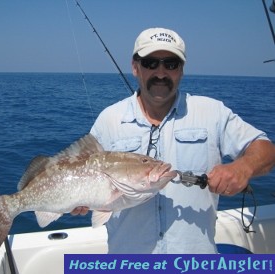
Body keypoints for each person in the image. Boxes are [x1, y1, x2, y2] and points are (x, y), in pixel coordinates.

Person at [72, 27, 275, 253]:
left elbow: (265, 149)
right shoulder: (109, 120)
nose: (161, 73)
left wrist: (243, 167)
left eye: (171, 64)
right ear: (135, 67)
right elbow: (79, 170)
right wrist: (75, 198)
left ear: (181, 70)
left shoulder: (212, 112)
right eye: (150, 63)